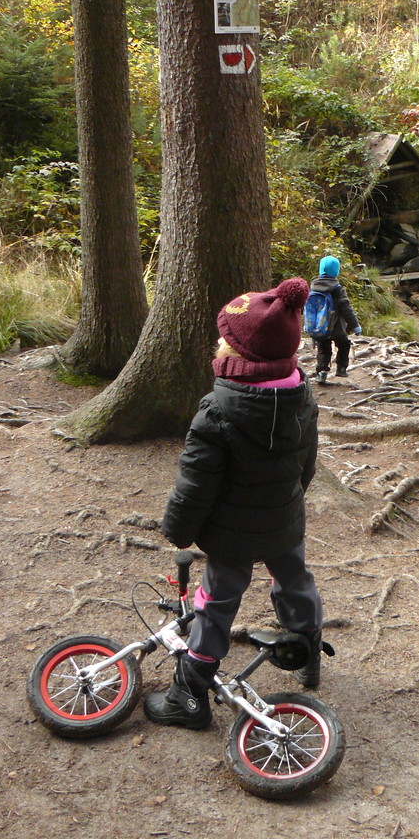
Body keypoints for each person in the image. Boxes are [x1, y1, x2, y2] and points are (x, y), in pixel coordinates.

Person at [144, 277, 328, 730]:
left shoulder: (217, 409)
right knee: (293, 578)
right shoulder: (302, 395)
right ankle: (306, 649)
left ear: (239, 352)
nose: (218, 341)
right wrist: (288, 501)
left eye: (225, 337)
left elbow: (196, 483)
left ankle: (188, 694)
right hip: (285, 521)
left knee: (216, 600)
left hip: (231, 534)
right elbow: (307, 465)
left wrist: (179, 530)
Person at [309, 255, 361, 384]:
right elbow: (346, 309)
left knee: (323, 349)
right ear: (336, 271)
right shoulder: (337, 289)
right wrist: (355, 325)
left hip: (319, 327)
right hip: (337, 327)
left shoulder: (312, 287)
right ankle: (341, 368)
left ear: (320, 270)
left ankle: (321, 373)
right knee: (344, 344)